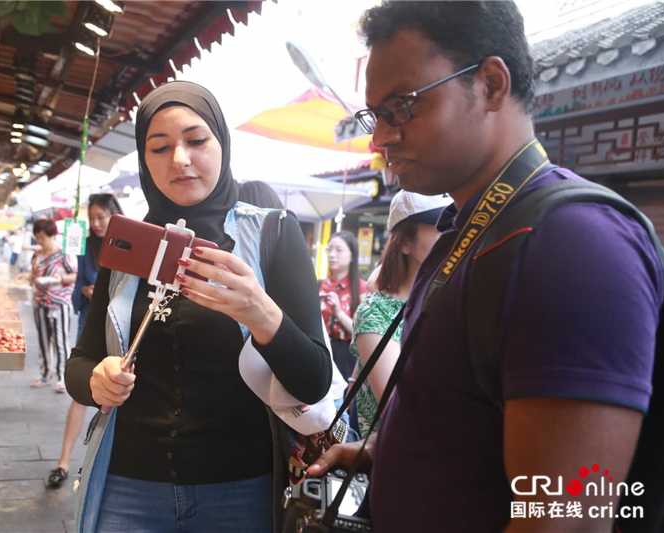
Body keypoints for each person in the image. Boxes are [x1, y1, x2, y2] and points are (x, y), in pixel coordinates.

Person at [308, 2, 664, 532]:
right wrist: (391, 452)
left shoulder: (570, 243)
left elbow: (565, 517)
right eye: (374, 115)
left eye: (400, 107)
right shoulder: (468, 229)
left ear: (492, 84)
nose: (380, 138)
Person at [66, 81, 332, 532]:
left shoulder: (272, 233)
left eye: (196, 140)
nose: (180, 160)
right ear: (144, 159)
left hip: (241, 490)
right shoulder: (129, 243)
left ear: (222, 144)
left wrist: (259, 311)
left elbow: (314, 380)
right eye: (159, 147)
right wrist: (97, 381)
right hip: (127, 486)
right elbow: (79, 364)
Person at [349, 191, 448, 438]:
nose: (452, 235)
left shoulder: (454, 301)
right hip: (394, 460)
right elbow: (399, 406)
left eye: (456, 225)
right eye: (440, 227)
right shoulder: (376, 312)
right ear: (405, 242)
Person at [47, 194, 124, 488]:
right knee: (81, 392)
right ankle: (63, 462)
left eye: (102, 216)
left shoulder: (132, 242)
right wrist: (88, 292)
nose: (96, 223)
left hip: (120, 332)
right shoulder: (86, 248)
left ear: (114, 214)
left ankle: (107, 466)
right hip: (90, 328)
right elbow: (78, 287)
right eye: (92, 217)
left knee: (117, 392)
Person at [18, 219, 77, 392]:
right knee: (44, 340)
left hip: (59, 303)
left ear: (52, 235)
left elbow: (74, 275)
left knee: (60, 341)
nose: (40, 241)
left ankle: (62, 377)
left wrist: (61, 279)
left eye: (43, 237)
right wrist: (25, 277)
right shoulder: (37, 255)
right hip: (40, 302)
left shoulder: (65, 255)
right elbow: (33, 274)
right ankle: (45, 374)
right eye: (38, 238)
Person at [319, 231, 369, 381]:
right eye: (329, 249)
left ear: (352, 255)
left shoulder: (362, 288)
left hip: (347, 357)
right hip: (320, 352)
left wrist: (339, 313)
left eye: (339, 250)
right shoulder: (318, 285)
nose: (332, 254)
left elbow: (364, 333)